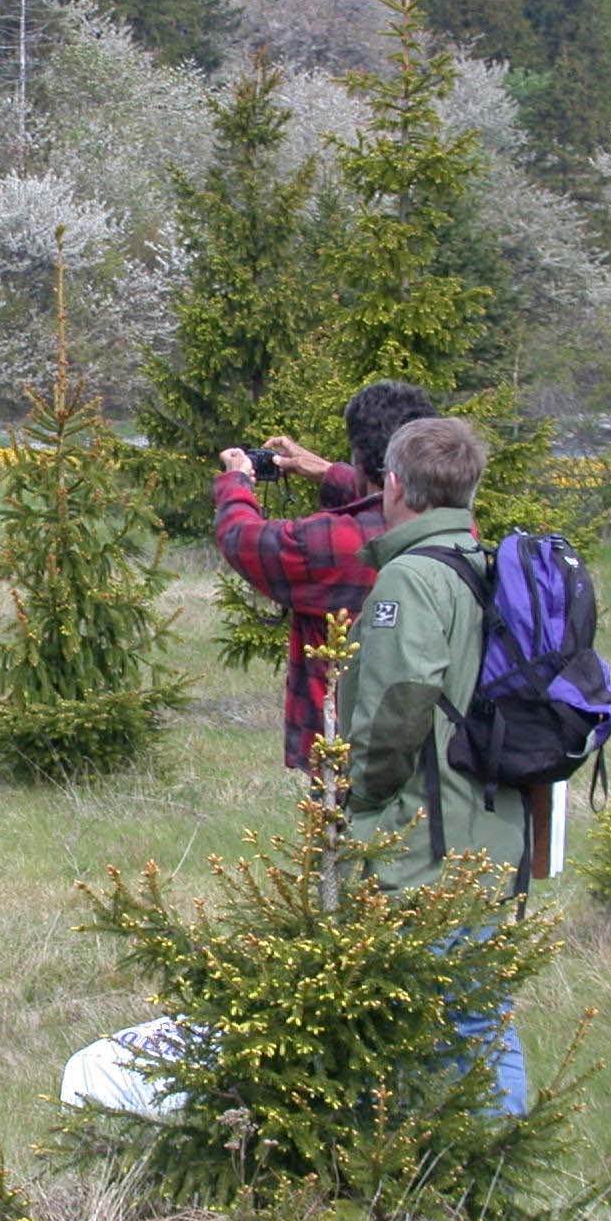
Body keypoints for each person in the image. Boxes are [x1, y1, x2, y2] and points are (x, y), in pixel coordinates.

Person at [335, 416, 527, 1115]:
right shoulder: (486, 565)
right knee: (480, 1023)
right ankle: (494, 1192)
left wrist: (360, 809)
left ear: (392, 485)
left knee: (432, 1026)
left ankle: (457, 1187)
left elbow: (397, 710)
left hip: (425, 848)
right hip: (495, 837)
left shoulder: (410, 579)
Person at [213, 380, 439, 774]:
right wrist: (328, 471)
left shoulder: (338, 541)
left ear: (361, 455)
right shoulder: (451, 525)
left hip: (347, 747)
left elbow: (242, 539)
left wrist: (237, 480)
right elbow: (388, 492)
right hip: (431, 744)